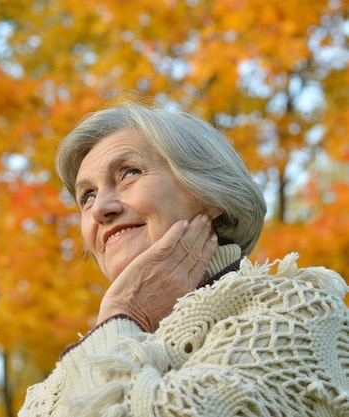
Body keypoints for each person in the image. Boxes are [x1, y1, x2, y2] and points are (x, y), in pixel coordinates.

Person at [18, 98, 349, 417]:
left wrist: (122, 311)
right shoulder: (51, 390)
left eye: (129, 172)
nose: (102, 208)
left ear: (208, 193)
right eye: (87, 196)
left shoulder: (298, 313)